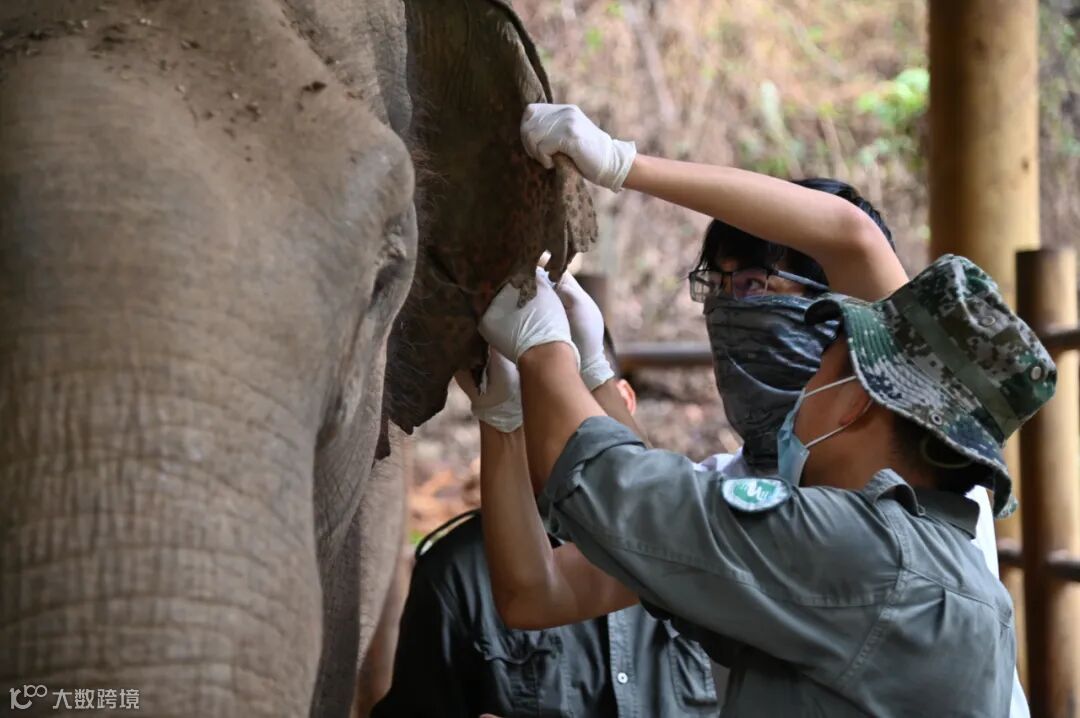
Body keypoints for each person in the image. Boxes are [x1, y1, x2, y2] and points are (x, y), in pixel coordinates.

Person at [521, 104, 1028, 712]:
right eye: (718, 286)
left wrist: (621, 164)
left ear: (859, 396)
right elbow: (646, 532)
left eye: (756, 284)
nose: (731, 309)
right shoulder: (767, 486)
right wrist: (590, 371)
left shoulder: (895, 512)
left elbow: (850, 236)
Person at [477, 254, 1053, 715]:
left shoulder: (866, 554)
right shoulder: (946, 575)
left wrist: (544, 348)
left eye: (821, 368)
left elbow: (612, 488)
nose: (805, 390)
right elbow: (673, 546)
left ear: (856, 400)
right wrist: (595, 374)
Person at [372, 333, 718, 718]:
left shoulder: (703, 540)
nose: (550, 429)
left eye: (569, 400)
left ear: (623, 400)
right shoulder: (460, 578)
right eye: (529, 407)